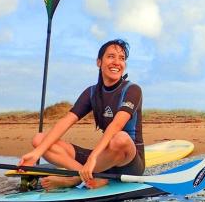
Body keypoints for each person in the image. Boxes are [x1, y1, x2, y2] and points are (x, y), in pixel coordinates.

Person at [19, 39, 144, 190]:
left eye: (122, 58)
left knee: (120, 138)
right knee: (39, 139)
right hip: (103, 159)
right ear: (99, 62)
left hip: (128, 161)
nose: (117, 62)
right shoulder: (91, 92)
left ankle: (76, 178)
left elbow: (116, 125)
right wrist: (36, 154)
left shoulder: (132, 90)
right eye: (111, 56)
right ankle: (87, 174)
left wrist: (92, 158)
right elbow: (66, 121)